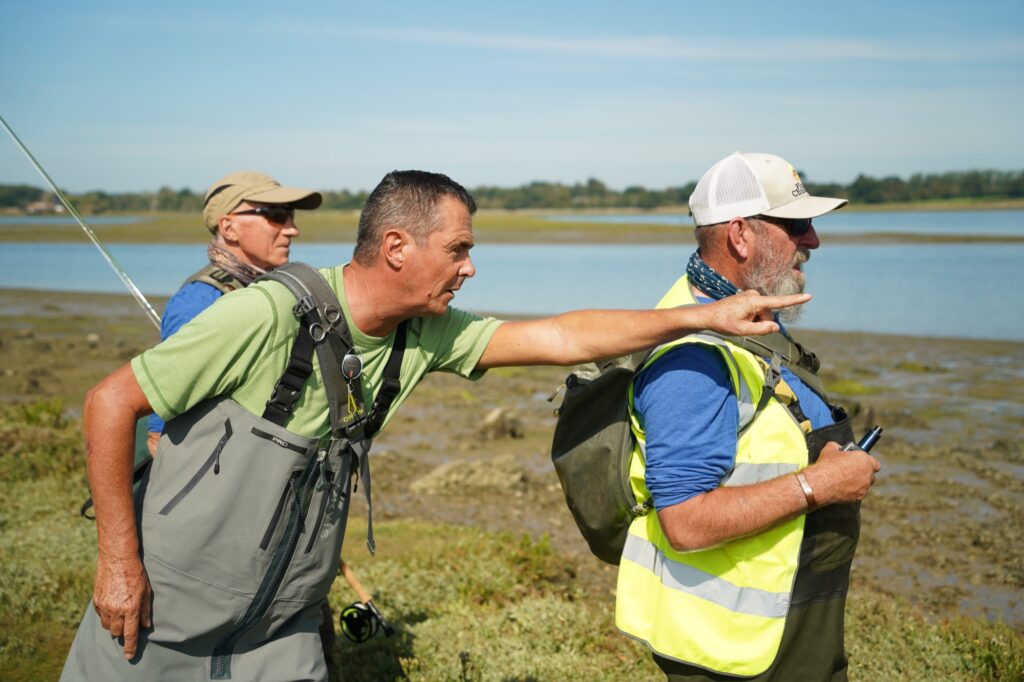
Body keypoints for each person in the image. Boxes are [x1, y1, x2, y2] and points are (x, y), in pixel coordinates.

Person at [61, 169, 807, 681]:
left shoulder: (426, 333)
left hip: (283, 621)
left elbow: (560, 337)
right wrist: (121, 565)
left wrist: (705, 315)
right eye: (459, 250)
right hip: (165, 603)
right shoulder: (265, 312)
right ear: (396, 248)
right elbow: (110, 402)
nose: (469, 269)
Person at [615, 152, 882, 681]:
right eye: (798, 225)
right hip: (732, 652)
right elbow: (686, 522)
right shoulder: (695, 359)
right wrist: (818, 486)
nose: (813, 242)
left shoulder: (746, 319)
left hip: (781, 630)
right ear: (740, 235)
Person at [144, 170, 321, 456]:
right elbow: (159, 437)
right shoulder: (198, 302)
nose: (292, 229)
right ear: (229, 228)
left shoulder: (271, 290)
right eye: (276, 215)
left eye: (291, 215)